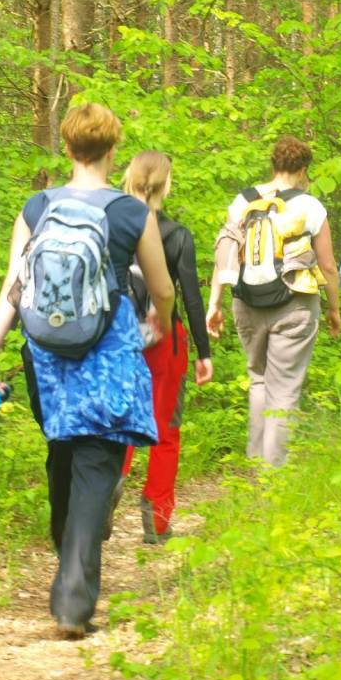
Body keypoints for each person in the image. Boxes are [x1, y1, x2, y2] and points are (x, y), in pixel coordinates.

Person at [0, 103, 175, 639]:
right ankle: (73, 599)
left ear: (67, 147)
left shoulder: (38, 207)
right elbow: (162, 287)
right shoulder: (132, 213)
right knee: (95, 461)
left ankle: (67, 546)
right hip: (107, 357)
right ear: (113, 150)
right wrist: (159, 318)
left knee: (63, 449)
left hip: (47, 357)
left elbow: (14, 289)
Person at [205, 135, 341, 467]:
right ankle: (274, 473)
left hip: (246, 301)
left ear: (273, 165)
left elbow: (225, 254)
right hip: (295, 303)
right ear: (303, 169)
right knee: (285, 388)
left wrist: (214, 304)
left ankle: (255, 464)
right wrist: (334, 308)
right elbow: (327, 265)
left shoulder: (243, 200)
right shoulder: (310, 206)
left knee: (259, 380)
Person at [117, 151, 214, 544]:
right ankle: (156, 520)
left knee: (118, 418)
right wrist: (204, 353)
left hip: (117, 337)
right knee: (165, 428)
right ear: (166, 184)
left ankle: (108, 486)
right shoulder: (176, 235)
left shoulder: (111, 225)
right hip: (165, 337)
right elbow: (190, 297)